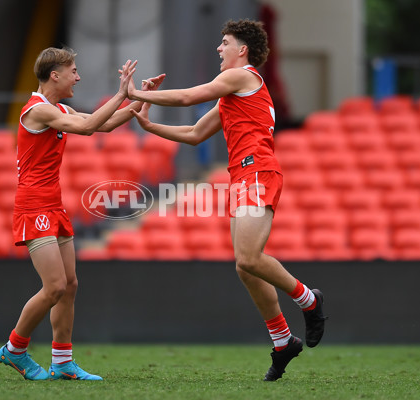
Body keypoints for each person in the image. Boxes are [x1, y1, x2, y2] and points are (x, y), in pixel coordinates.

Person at [128, 19, 326, 381]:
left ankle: (308, 301)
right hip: (242, 176)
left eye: (224, 43)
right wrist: (150, 125)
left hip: (257, 171)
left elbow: (188, 96)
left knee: (249, 257)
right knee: (244, 266)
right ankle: (283, 341)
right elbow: (193, 133)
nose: (219, 49)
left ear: (242, 50)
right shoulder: (234, 94)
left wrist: (136, 94)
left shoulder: (242, 76)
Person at [0, 46, 164, 381]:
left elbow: (103, 125)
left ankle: (61, 362)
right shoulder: (37, 110)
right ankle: (14, 350)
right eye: (73, 70)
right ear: (54, 75)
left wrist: (142, 98)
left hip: (52, 203)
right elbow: (88, 126)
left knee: (70, 284)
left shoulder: (57, 108)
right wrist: (122, 93)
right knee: (55, 286)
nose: (78, 76)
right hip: (33, 204)